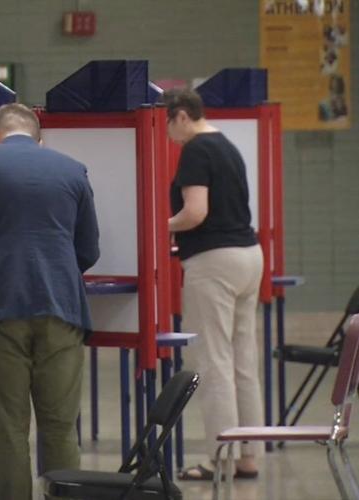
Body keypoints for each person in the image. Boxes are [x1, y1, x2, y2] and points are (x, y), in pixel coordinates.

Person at [0, 103, 100, 499]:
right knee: (61, 426)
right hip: (62, 306)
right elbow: (89, 248)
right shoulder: (72, 169)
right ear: (38, 137)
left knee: (9, 428)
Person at [164, 89, 264, 481]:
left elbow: (195, 213)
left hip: (213, 261)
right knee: (244, 362)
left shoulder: (195, 150)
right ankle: (248, 456)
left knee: (215, 361)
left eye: (169, 122)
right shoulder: (227, 145)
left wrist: (159, 224)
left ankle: (219, 458)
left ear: (183, 116)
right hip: (249, 257)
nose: (169, 132)